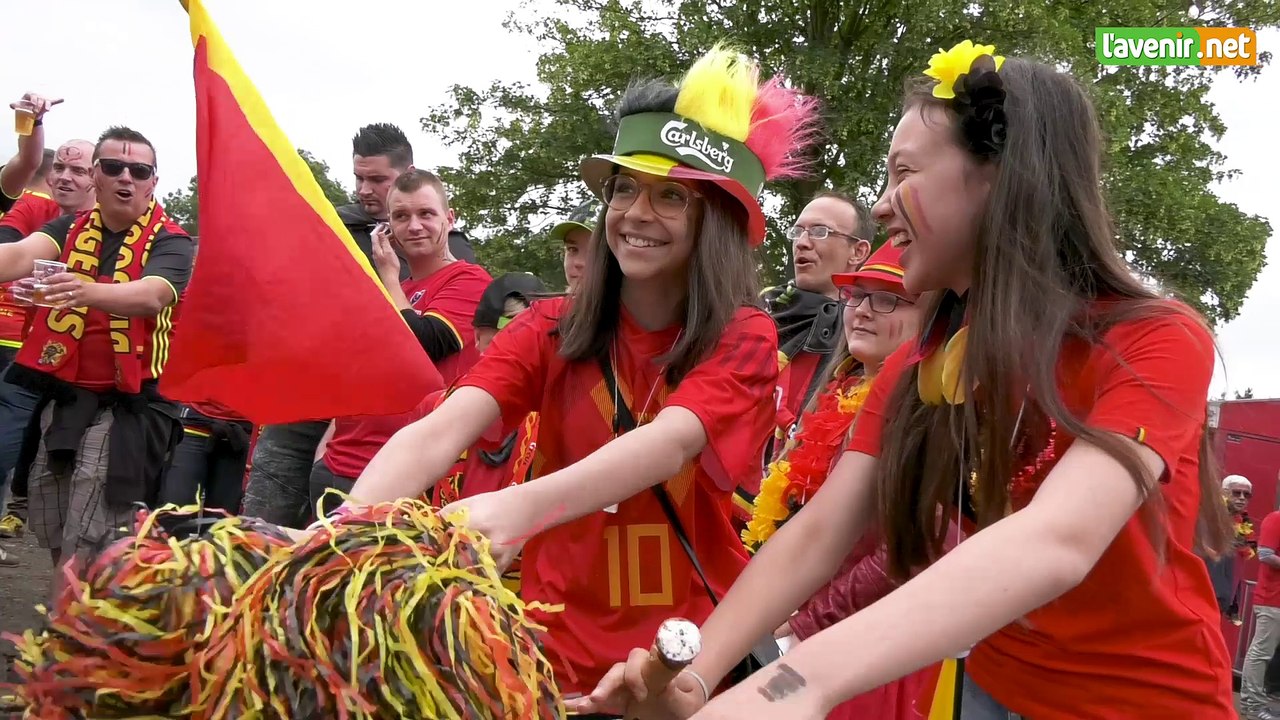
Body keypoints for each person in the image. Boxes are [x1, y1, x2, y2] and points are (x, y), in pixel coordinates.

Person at [575, 40, 1236, 719]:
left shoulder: (1152, 338)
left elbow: (1058, 538)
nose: (884, 205)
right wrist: (697, 671)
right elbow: (818, 532)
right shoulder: (922, 367)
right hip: (994, 694)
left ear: (999, 175)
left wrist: (793, 686)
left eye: (903, 173)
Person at [308, 46, 820, 702]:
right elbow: (440, 433)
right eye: (624, 189)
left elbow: (668, 444)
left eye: (671, 197)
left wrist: (518, 508)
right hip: (543, 657)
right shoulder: (551, 324)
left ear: (713, 220)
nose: (637, 213)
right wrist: (337, 538)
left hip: (679, 666)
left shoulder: (743, 336)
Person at [241, 123, 476, 528]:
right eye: (358, 178)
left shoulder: (454, 262)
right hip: (317, 404)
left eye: (377, 180)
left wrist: (384, 275)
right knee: (269, 526)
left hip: (384, 453)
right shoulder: (335, 229)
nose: (365, 189)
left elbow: (425, 346)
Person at [743, 243, 939, 720]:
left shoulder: (929, 415)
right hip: (793, 630)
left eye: (888, 299)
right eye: (858, 297)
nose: (864, 312)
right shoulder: (834, 393)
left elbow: (906, 550)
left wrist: (804, 626)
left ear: (931, 316)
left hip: (863, 649)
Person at [0, 126, 193, 567]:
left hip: (130, 404)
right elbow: (15, 257)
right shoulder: (67, 226)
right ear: (96, 177)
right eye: (114, 167)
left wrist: (80, 290)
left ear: (153, 182)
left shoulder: (172, 240)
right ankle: (68, 617)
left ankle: (76, 628)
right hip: (64, 393)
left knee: (90, 526)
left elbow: (151, 295)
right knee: (52, 519)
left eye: (139, 170)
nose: (127, 177)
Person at [312, 169, 490, 517]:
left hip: (402, 474)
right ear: (389, 225)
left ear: (449, 219)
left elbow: (426, 345)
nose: (414, 226)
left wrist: (389, 276)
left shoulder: (469, 279)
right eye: (401, 216)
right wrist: (326, 446)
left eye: (426, 214)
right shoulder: (398, 292)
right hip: (338, 465)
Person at [0, 139, 98, 545]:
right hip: (32, 356)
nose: (64, 177)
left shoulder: (127, 228)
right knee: (12, 437)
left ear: (97, 177)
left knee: (74, 464)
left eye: (78, 171)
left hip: (93, 372)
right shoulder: (40, 209)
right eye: (60, 168)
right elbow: (10, 250)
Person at [762, 192, 873, 447]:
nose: (802, 242)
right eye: (797, 231)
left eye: (820, 231)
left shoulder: (867, 335)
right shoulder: (756, 312)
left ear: (858, 251)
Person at [1244, 498, 1280, 719]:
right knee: (1261, 653)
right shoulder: (1276, 519)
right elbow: (1265, 555)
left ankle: (1258, 703)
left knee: (1264, 653)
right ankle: (1252, 705)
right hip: (1271, 599)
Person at [1204, 474, 1256, 619]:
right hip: (1207, 590)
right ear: (1223, 493)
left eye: (1246, 495)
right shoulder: (1212, 516)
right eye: (1236, 493)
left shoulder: (1241, 522)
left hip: (1224, 594)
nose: (1242, 498)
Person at [549, 200, 598, 292]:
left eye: (594, 251)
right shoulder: (545, 306)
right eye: (572, 249)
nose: (579, 263)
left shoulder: (631, 306)